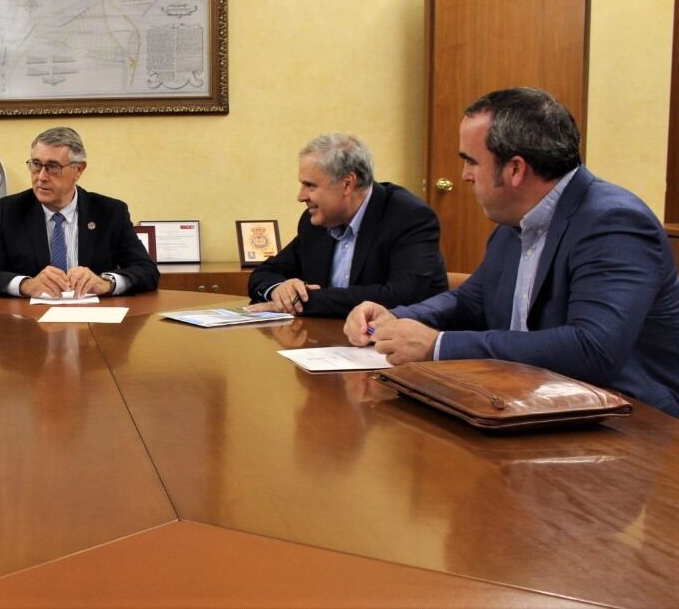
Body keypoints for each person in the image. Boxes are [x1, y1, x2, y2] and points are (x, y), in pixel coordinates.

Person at [344, 87, 679, 417]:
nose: (465, 176)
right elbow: (470, 301)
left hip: (633, 424)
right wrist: (398, 318)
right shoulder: (514, 223)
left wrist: (437, 346)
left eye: (471, 162)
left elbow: (592, 348)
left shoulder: (614, 222)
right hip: (532, 407)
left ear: (515, 169)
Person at [248, 133, 448, 317]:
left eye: (310, 185)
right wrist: (280, 290)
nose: (301, 197)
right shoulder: (315, 223)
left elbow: (398, 296)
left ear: (347, 184)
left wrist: (302, 301)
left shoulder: (409, 217)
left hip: (401, 345)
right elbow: (264, 273)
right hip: (329, 343)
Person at [0, 127, 159, 297]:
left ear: (78, 170)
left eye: (53, 167)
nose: (41, 177)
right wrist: (26, 285)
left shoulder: (110, 212)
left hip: (94, 325)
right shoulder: (9, 211)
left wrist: (107, 283)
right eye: (36, 164)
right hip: (29, 324)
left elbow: (147, 271)